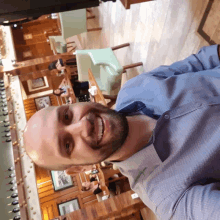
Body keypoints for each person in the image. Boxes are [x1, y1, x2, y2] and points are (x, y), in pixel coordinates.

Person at [23, 44, 220, 219]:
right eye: (68, 144)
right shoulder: (169, 197)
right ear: (79, 169)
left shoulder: (132, 89)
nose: (83, 125)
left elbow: (201, 61)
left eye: (67, 116)